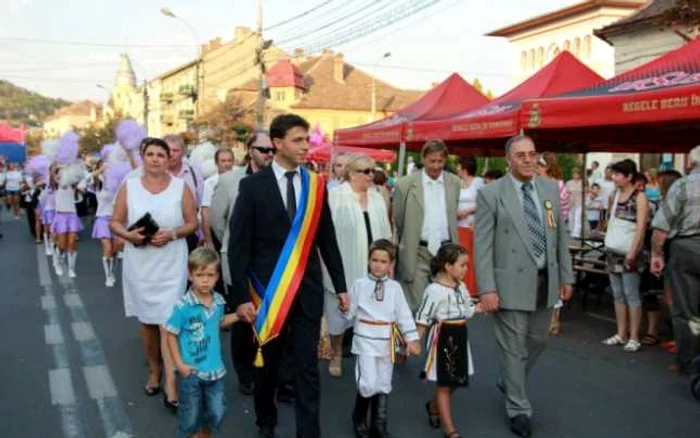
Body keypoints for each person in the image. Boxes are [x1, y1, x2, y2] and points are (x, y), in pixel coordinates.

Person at [229, 114, 348, 438]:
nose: (305, 146)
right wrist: (240, 297)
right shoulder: (252, 186)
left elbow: (328, 238)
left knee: (307, 367)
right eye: (298, 140)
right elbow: (239, 246)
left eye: (306, 140)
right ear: (278, 143)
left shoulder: (315, 184)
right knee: (266, 365)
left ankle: (308, 432)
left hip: (307, 291)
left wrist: (341, 286)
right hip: (268, 293)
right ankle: (265, 422)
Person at [475, 134, 574, 438]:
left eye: (532, 154)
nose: (529, 160)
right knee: (514, 347)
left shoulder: (548, 190)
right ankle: (519, 408)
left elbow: (559, 235)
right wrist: (487, 288)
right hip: (509, 283)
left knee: (538, 340)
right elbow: (483, 245)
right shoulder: (492, 194)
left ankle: (510, 377)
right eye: (521, 155)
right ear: (509, 160)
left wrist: (567, 276)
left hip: (546, 281)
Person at [110, 137, 198, 409]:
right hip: (140, 262)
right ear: (143, 157)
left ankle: (171, 385)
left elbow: (192, 223)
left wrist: (171, 233)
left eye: (162, 154)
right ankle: (154, 370)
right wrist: (129, 235)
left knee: (169, 321)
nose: (157, 159)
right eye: (151, 154)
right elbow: (115, 221)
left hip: (171, 261)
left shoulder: (181, 187)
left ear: (169, 158)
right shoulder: (130, 186)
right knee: (148, 321)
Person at [209, 132, 275, 396]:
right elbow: (216, 219)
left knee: (271, 313)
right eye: (263, 149)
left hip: (269, 260)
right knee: (242, 316)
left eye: (272, 150)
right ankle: (245, 372)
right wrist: (235, 243)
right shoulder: (229, 181)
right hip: (238, 259)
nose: (269, 154)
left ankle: (271, 370)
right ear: (250, 150)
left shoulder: (279, 180)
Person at [323, 154, 392, 378]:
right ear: (352, 174)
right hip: (343, 265)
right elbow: (325, 235)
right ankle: (335, 353)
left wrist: (389, 262)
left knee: (371, 315)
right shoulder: (335, 196)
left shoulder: (378, 198)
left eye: (374, 171)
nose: (372, 176)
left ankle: (368, 357)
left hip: (374, 267)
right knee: (338, 316)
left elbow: (386, 232)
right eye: (367, 171)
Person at [345, 239, 420, 438]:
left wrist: (412, 339)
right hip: (365, 341)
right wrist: (344, 307)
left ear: (391, 264)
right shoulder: (359, 285)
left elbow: (403, 314)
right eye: (374, 260)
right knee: (368, 382)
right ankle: (359, 417)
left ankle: (378, 424)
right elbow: (349, 312)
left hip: (387, 342)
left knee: (384, 382)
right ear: (368, 261)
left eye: (383, 261)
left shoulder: (395, 288)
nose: (378, 265)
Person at [165, 248, 239, 438]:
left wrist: (238, 316)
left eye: (210, 275)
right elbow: (170, 334)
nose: (205, 280)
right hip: (192, 372)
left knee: (216, 411)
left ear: (217, 276)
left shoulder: (219, 302)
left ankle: (205, 434)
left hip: (216, 371)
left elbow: (219, 322)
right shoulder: (183, 307)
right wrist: (179, 364)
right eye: (199, 275)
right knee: (190, 415)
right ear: (190, 276)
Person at [417, 243, 480, 438]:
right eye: (462, 265)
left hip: (460, 336)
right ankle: (449, 429)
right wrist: (413, 341)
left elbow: (467, 309)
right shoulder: (434, 290)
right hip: (443, 338)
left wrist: (479, 308)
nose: (466, 269)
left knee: (456, 380)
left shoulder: (461, 287)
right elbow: (423, 317)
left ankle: (433, 405)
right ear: (447, 266)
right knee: (444, 383)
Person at [393, 140, 461, 311]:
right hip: (417, 252)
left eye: (440, 161)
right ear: (423, 159)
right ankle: (414, 338)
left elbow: (452, 214)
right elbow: (398, 219)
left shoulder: (454, 182)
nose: (436, 166)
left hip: (446, 252)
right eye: (432, 161)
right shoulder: (405, 184)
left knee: (443, 307)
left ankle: (436, 338)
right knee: (416, 307)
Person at [650, 146, 700, 377]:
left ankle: (687, 362)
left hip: (687, 249)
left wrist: (657, 254)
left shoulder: (682, 185)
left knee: (686, 310)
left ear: (691, 163)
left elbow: (662, 227)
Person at [601, 159, 649, 353]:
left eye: (618, 174)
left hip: (630, 252)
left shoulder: (640, 197)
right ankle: (621, 333)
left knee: (631, 294)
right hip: (613, 250)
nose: (614, 177)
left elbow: (641, 226)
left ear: (629, 177)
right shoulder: (614, 194)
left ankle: (634, 336)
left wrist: (632, 251)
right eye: (613, 174)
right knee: (618, 294)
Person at [81, 161, 120, 287]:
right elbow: (90, 178)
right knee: (107, 249)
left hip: (117, 220)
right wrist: (102, 169)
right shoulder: (98, 183)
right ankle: (108, 276)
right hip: (102, 219)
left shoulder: (118, 183)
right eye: (103, 166)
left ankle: (112, 273)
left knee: (115, 250)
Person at [456, 156, 484, 295]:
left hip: (472, 225)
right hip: (458, 225)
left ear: (464, 168)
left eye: (458, 166)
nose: (457, 169)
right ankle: (460, 285)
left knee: (470, 257)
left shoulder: (478, 182)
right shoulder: (458, 183)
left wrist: (467, 211)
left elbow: (484, 202)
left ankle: (472, 289)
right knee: (459, 256)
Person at [51, 166, 84, 278]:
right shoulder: (55, 185)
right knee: (62, 245)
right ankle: (58, 262)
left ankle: (71, 269)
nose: (62, 174)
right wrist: (58, 165)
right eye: (60, 173)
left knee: (72, 244)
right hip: (60, 216)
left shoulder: (73, 185)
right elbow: (52, 174)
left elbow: (80, 176)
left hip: (72, 216)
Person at [201, 149, 235, 249]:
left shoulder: (240, 180)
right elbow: (205, 213)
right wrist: (209, 241)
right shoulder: (210, 183)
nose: (227, 164)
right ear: (216, 163)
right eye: (223, 161)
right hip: (216, 233)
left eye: (229, 160)